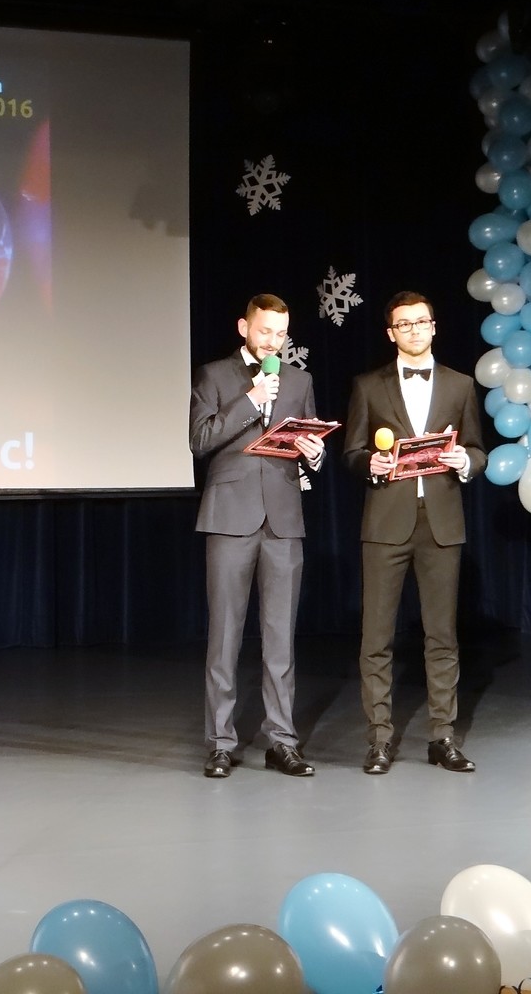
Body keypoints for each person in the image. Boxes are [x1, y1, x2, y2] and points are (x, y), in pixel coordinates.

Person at [343, 291, 487, 775]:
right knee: (376, 637)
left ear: (433, 326)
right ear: (391, 333)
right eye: (403, 324)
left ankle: (442, 737)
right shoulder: (368, 385)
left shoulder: (460, 385)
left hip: (441, 523)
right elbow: (351, 453)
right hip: (386, 522)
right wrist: (370, 464)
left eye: (421, 321)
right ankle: (379, 740)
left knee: (441, 636)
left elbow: (477, 448)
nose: (414, 330)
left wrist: (465, 461)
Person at [189, 294, 326, 778]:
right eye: (265, 331)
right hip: (229, 515)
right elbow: (200, 440)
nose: (273, 341)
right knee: (225, 636)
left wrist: (314, 452)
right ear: (243, 327)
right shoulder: (214, 375)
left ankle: (282, 741)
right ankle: (220, 743)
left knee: (280, 638)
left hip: (283, 517)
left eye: (281, 333)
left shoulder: (299, 380)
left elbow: (307, 439)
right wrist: (251, 401)